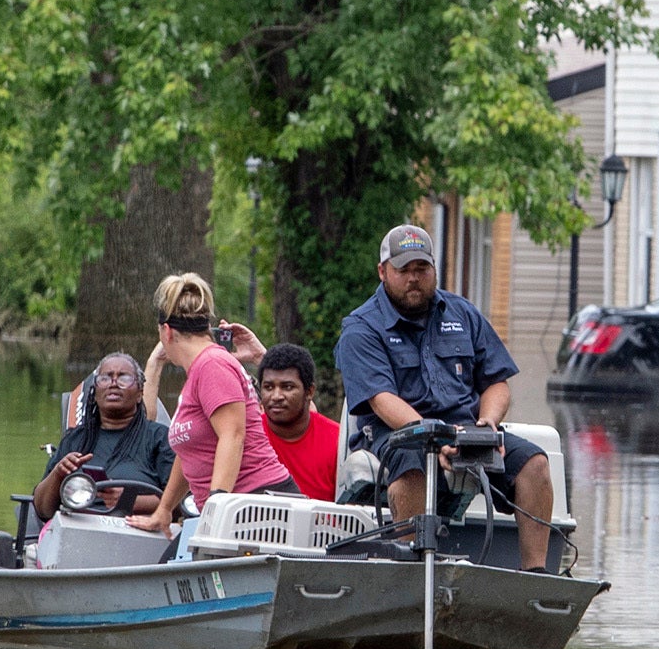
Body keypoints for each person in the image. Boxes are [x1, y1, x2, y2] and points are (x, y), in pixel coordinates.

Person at [334, 223, 557, 570]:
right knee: (412, 470)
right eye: (403, 269)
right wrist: (434, 438)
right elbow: (380, 400)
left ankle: (537, 576)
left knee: (536, 465)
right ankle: (410, 573)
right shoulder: (361, 327)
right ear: (382, 272)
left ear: (434, 268)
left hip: (465, 429)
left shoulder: (463, 314)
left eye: (421, 268)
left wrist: (488, 425)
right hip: (394, 434)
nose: (413, 277)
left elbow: (497, 382)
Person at [133, 272, 296, 532]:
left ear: (166, 332)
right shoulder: (198, 372)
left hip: (259, 504)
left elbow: (233, 436)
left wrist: (215, 507)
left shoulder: (212, 365)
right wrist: (163, 510)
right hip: (236, 506)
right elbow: (189, 452)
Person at [36, 353, 174, 521]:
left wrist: (130, 501)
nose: (114, 384)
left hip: (138, 532)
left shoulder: (159, 438)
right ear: (94, 392)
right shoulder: (76, 439)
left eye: (124, 378)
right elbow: (42, 511)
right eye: (105, 378)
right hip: (77, 530)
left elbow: (180, 504)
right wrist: (58, 474)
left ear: (139, 394)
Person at [252, 343, 343, 502]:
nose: (276, 396)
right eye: (268, 387)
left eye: (287, 387)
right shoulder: (248, 437)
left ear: (309, 392)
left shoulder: (339, 440)